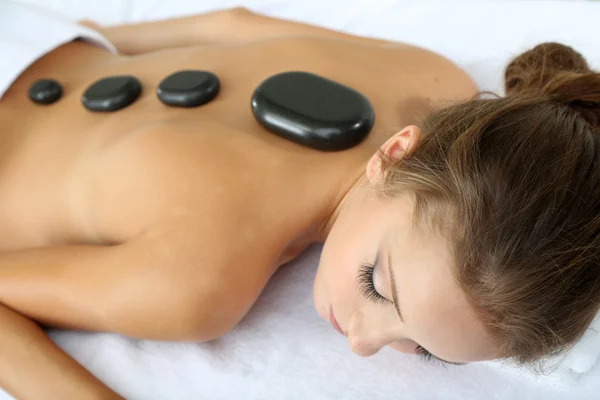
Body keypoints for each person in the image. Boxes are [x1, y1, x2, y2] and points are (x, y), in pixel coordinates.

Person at [1, 2, 599, 399]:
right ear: (392, 153)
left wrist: (99, 43)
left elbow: (231, 23)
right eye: (375, 285)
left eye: (421, 351)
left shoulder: (430, 74)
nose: (361, 344)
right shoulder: (197, 283)